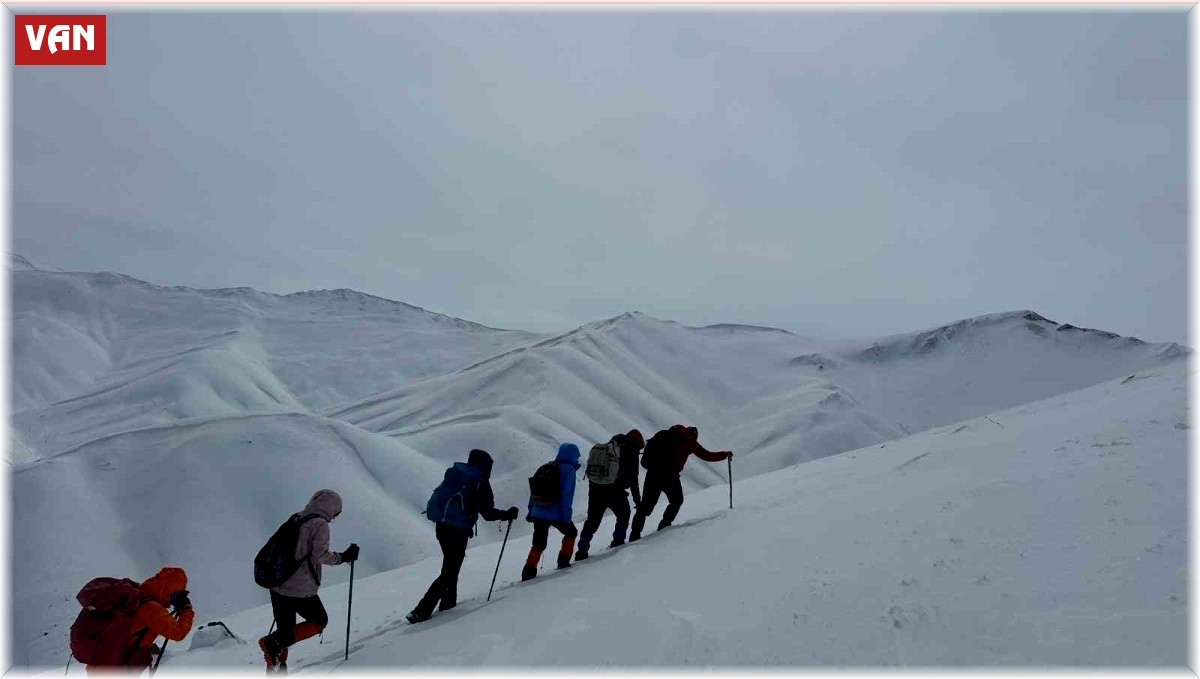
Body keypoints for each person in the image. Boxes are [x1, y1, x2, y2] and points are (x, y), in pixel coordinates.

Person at [407, 449, 518, 623]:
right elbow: (487, 514)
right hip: (457, 531)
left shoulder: (457, 475)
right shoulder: (479, 482)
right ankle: (421, 610)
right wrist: (507, 514)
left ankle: (448, 604)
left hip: (441, 527)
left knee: (451, 566)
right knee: (450, 571)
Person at [258, 489, 358, 672]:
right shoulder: (320, 525)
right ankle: (271, 643)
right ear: (331, 508)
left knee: (285, 629)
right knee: (319, 621)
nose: (334, 517)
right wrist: (344, 557)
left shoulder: (297, 517)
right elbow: (320, 556)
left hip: (278, 583)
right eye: (336, 513)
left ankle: (278, 665)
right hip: (299, 588)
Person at [629, 425, 732, 541]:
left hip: (652, 475)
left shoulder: (664, 435)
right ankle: (664, 526)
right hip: (669, 476)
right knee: (677, 500)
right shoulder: (689, 441)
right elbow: (706, 455)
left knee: (645, 506)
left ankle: (634, 535)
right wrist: (724, 454)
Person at [84, 567, 194, 674]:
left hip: (101, 662)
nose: (174, 600)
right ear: (167, 590)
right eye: (176, 594)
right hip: (120, 666)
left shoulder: (137, 595)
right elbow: (178, 633)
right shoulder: (151, 608)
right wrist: (186, 610)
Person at [575, 429, 644, 561]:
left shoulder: (610, 445)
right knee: (624, 514)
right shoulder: (631, 451)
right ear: (636, 444)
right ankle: (618, 541)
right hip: (615, 491)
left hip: (595, 489)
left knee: (592, 521)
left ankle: (581, 550)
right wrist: (637, 500)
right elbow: (633, 480)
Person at [521, 443, 581, 581]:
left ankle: (528, 572)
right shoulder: (568, 470)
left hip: (538, 512)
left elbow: (533, 491)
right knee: (571, 532)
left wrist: (531, 510)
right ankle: (563, 561)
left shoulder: (548, 466)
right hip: (556, 513)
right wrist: (566, 516)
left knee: (538, 543)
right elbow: (567, 495)